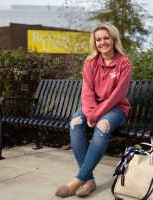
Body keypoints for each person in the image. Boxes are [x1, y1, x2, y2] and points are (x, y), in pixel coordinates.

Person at [55, 23, 132, 198]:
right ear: (94, 42)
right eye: (98, 39)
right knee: (75, 123)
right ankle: (89, 181)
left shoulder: (123, 63)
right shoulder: (90, 63)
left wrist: (96, 115)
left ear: (113, 40)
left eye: (106, 38)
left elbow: (117, 96)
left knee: (103, 126)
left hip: (116, 108)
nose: (102, 42)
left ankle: (78, 179)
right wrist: (90, 113)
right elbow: (87, 91)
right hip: (92, 107)